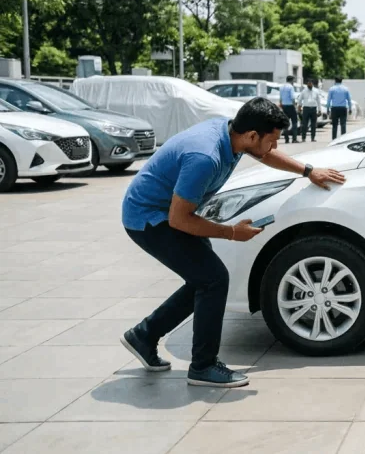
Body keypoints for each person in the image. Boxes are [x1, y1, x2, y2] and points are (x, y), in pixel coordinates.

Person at [119, 98, 346, 387]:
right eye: (273, 140)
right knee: (213, 279)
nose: (274, 147)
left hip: (165, 212)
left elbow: (265, 155)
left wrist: (307, 171)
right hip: (149, 219)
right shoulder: (206, 156)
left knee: (203, 278)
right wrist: (230, 232)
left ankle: (143, 336)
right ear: (252, 135)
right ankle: (202, 366)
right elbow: (178, 220)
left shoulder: (235, 134)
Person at [298, 78, 322, 142]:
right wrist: (299, 108)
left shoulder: (316, 91)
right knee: (304, 124)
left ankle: (313, 138)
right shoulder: (304, 91)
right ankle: (303, 138)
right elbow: (300, 100)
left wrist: (320, 110)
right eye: (308, 83)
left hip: (313, 109)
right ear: (307, 84)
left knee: (313, 124)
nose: (309, 84)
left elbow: (318, 101)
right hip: (306, 109)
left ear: (312, 83)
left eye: (310, 83)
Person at [278, 75, 298, 143]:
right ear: (291, 80)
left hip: (284, 106)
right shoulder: (291, 87)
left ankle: (287, 139)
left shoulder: (281, 87)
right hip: (290, 106)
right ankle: (294, 138)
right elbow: (292, 97)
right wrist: (295, 106)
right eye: (293, 80)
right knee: (294, 122)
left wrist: (281, 105)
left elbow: (280, 98)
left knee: (286, 122)